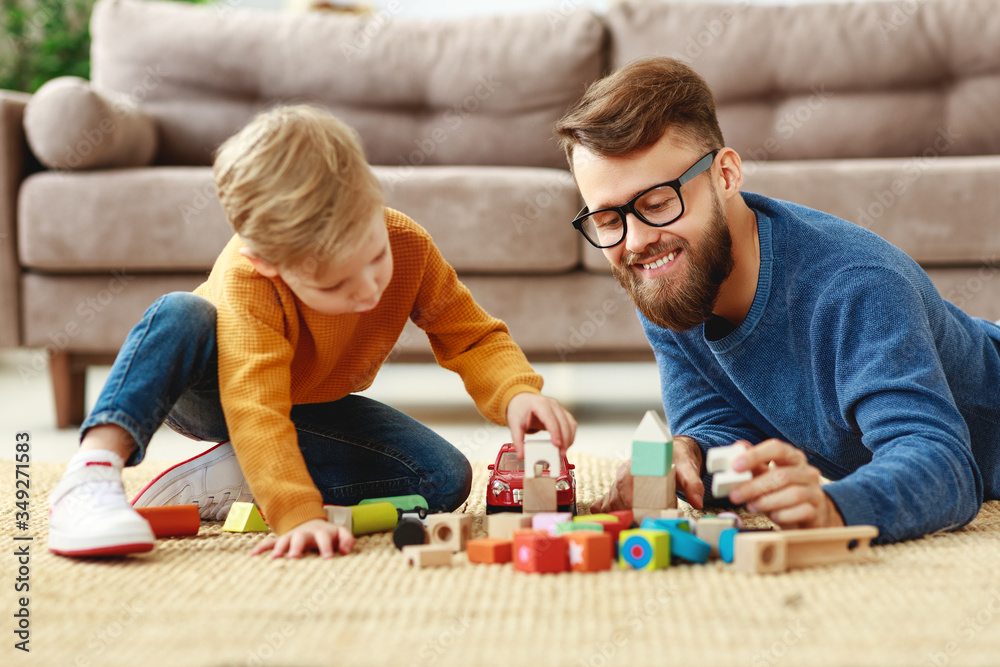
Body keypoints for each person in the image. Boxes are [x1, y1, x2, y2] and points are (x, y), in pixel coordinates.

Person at [48, 105, 577, 559]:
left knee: (441, 480)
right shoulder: (247, 278)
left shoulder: (406, 241)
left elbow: (469, 334)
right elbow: (255, 407)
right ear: (268, 263)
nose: (368, 290)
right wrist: (296, 513)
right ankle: (92, 473)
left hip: (307, 403)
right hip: (211, 392)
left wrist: (515, 394)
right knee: (181, 312)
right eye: (335, 286)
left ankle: (235, 477)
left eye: (374, 258)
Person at [555, 57, 1000, 543]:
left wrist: (835, 507)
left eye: (658, 204)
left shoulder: (857, 285)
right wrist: (688, 452)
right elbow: (719, 423)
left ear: (725, 175)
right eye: (608, 220)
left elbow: (945, 464)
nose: (637, 241)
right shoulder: (669, 277)